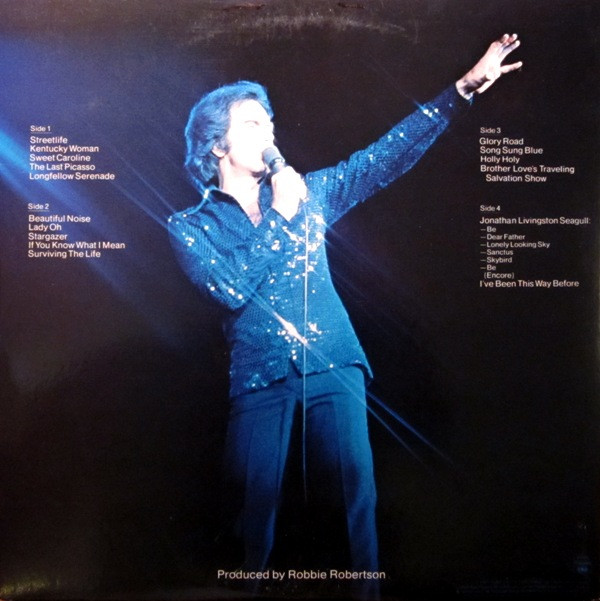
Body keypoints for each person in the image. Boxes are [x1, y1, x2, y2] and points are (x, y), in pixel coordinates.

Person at [168, 34, 522, 598]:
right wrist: (280, 216)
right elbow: (229, 288)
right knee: (252, 511)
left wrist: (460, 91)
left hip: (333, 358)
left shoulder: (309, 193)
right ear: (217, 145)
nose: (269, 133)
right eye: (253, 124)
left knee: (355, 495)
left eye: (270, 123)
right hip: (258, 377)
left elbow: (382, 158)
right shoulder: (191, 226)